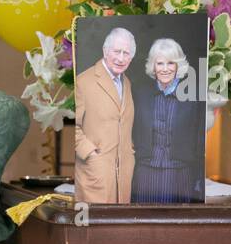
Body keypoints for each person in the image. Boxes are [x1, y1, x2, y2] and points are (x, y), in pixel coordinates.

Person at [130, 38, 204, 203]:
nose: (165, 69)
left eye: (170, 63)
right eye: (159, 63)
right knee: (143, 223)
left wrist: (199, 178)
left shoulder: (193, 95)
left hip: (180, 174)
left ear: (178, 65)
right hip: (145, 174)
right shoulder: (139, 93)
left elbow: (199, 139)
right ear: (153, 66)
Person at [74, 26, 136, 204]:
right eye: (117, 51)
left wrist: (130, 150)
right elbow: (74, 126)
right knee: (94, 227)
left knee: (119, 228)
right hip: (95, 171)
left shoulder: (127, 83)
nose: (121, 58)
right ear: (105, 50)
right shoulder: (83, 81)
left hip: (123, 173)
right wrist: (90, 153)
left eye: (127, 53)